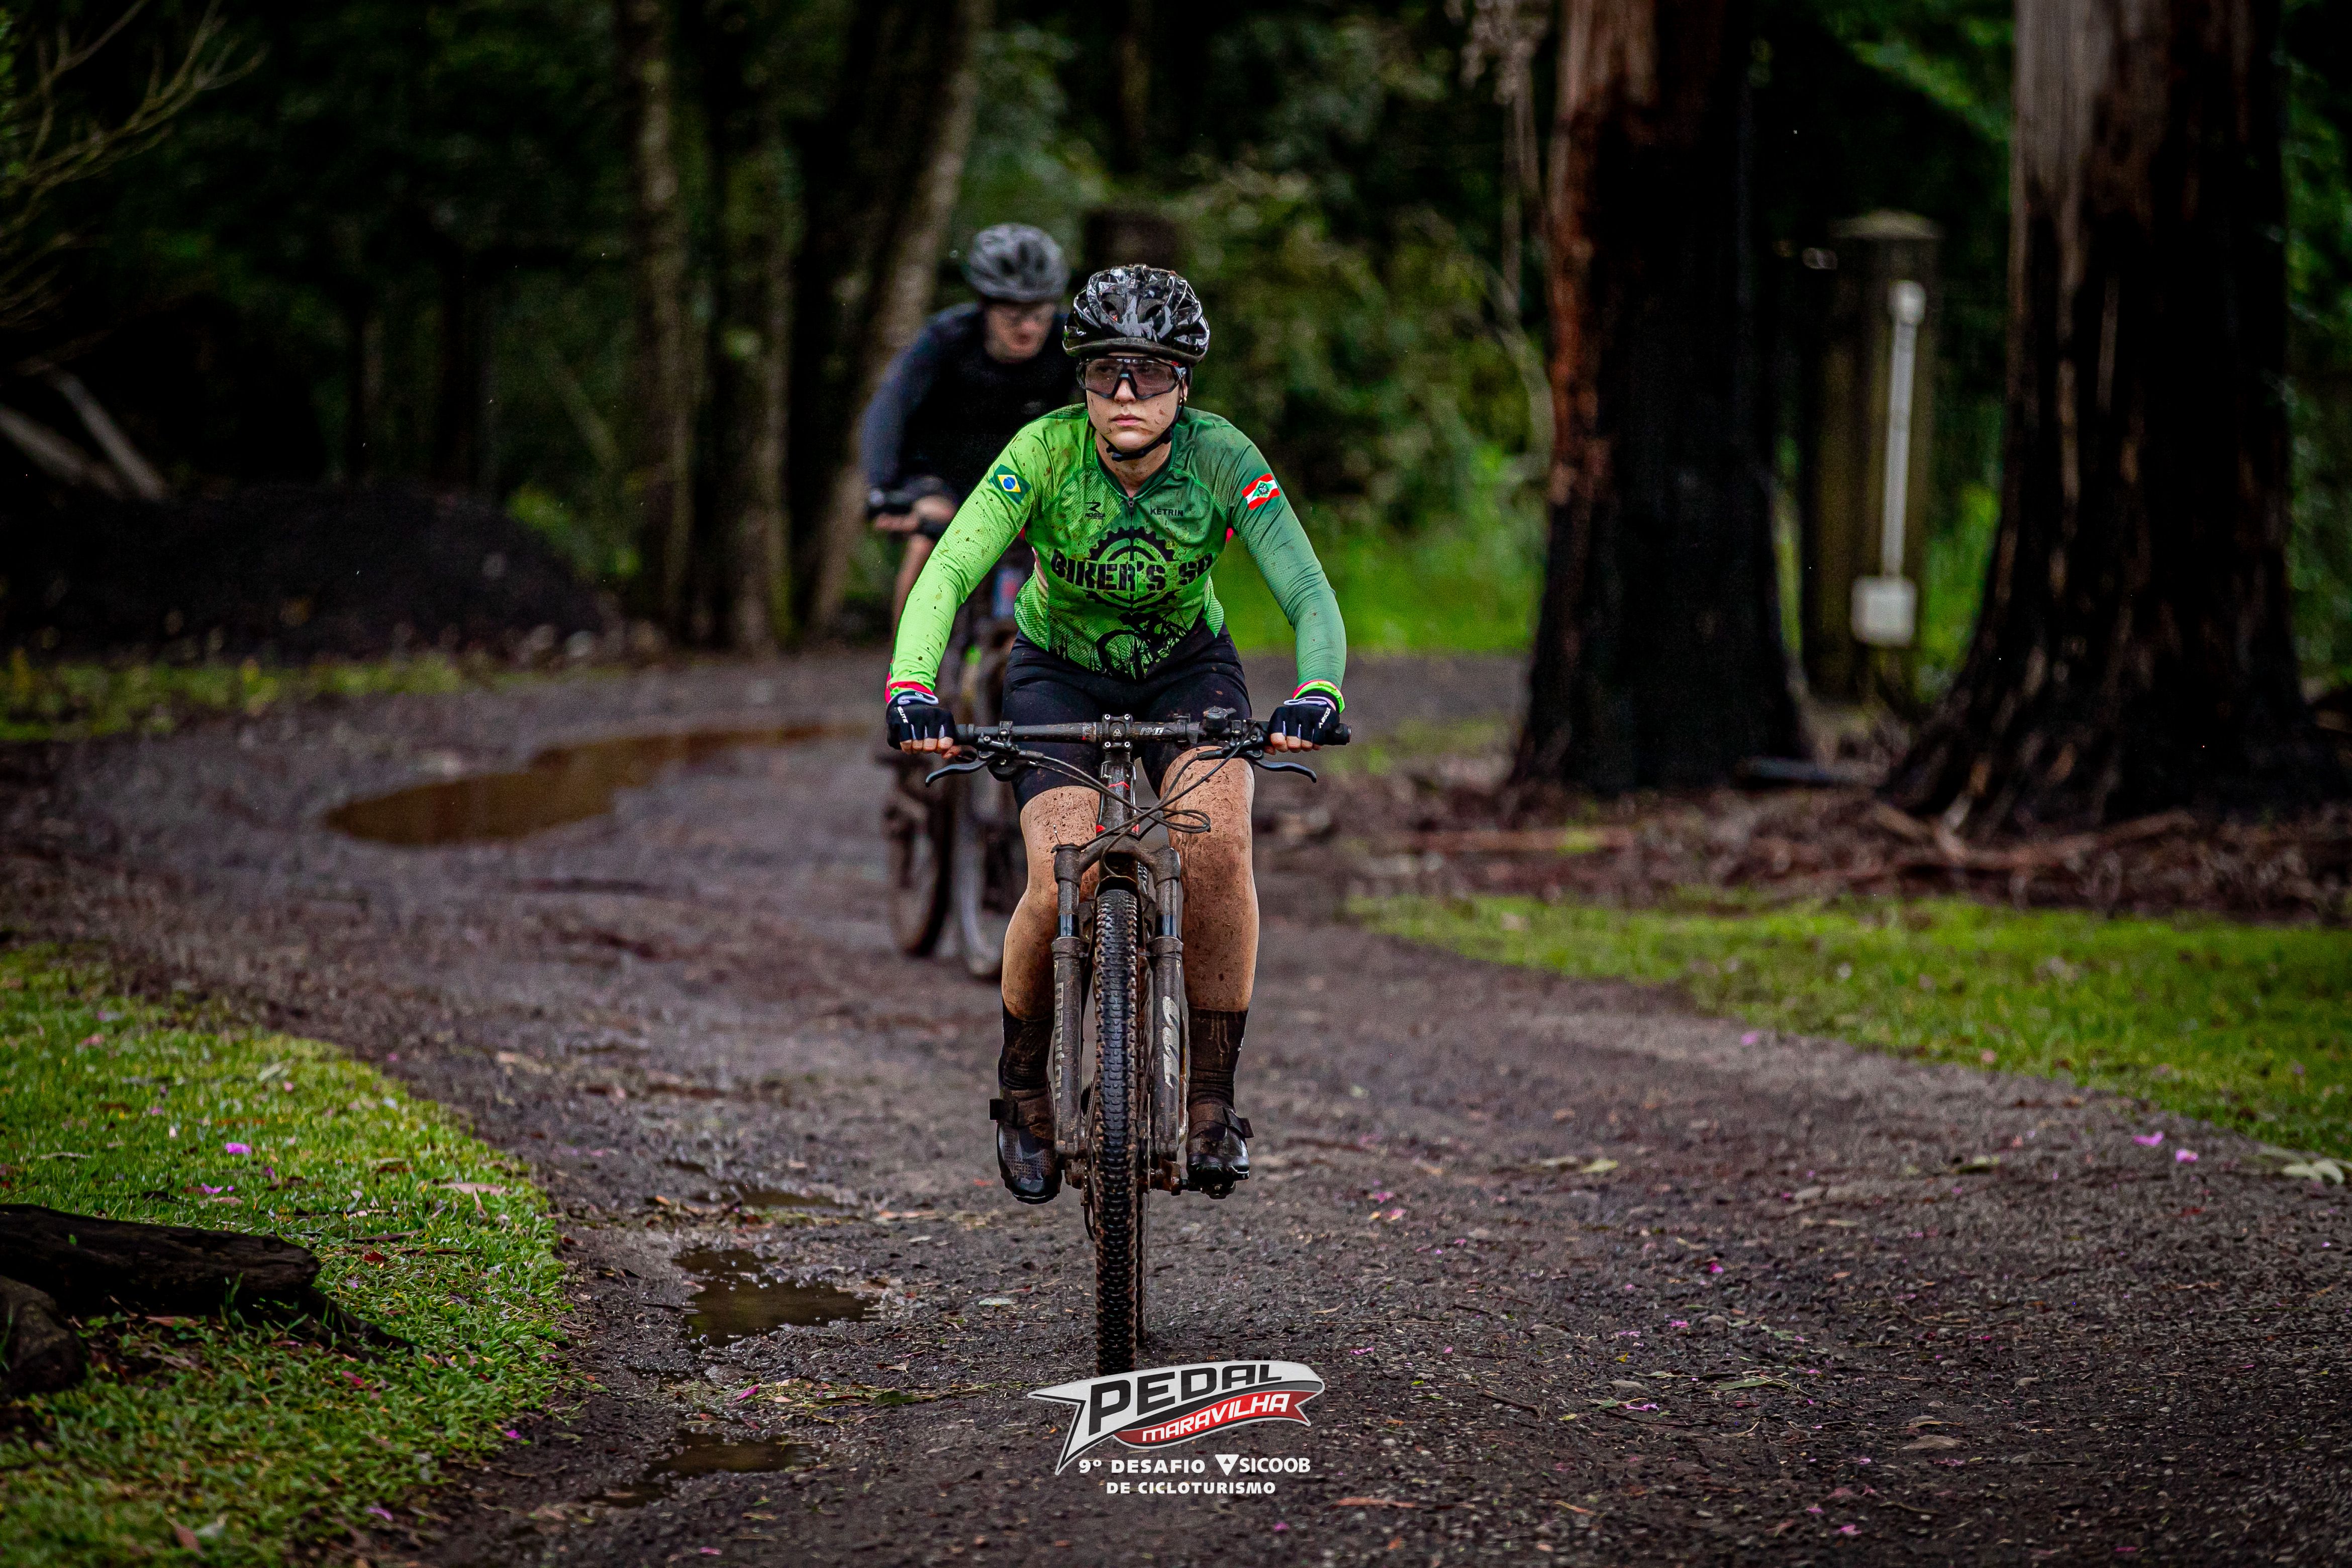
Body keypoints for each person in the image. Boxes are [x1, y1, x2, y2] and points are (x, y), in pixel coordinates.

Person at [883, 266, 1348, 1206]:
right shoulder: (1043, 452)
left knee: (1217, 849)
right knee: (1063, 874)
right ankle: (1024, 1090)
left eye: (1151, 371)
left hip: (1189, 667)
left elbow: (1304, 585)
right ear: (1082, 380)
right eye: (1105, 372)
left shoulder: (1223, 457)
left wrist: (1318, 688)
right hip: (1056, 670)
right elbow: (952, 569)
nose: (1127, 393)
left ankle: (1211, 1103)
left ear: (1185, 381)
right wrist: (912, 686)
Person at [862, 223, 1075, 625]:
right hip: (942, 476)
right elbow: (888, 411)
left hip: (1025, 479)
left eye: (1040, 314)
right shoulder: (945, 340)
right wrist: (882, 487)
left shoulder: (1069, 344)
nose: (1028, 328)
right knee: (928, 542)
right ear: (985, 307)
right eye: (1013, 316)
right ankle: (907, 659)